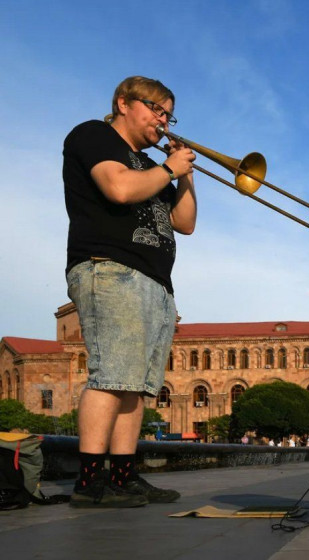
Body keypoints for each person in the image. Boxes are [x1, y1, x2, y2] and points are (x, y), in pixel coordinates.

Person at [64, 76, 196, 508]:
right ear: (123, 103)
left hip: (155, 282)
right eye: (157, 110)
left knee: (135, 385)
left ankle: (123, 476)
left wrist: (186, 176)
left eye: (168, 115)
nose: (163, 121)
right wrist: (169, 169)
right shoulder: (94, 135)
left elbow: (185, 223)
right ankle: (89, 482)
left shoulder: (151, 165)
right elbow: (118, 188)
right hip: (111, 268)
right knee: (111, 377)